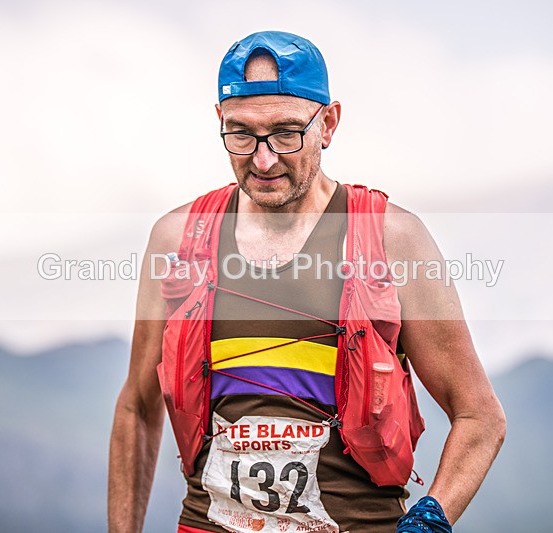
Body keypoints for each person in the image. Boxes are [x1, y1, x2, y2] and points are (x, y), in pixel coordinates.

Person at [108, 31, 506, 533]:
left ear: (329, 123)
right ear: (219, 122)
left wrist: (432, 516)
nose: (263, 159)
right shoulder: (177, 239)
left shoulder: (391, 239)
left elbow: (479, 417)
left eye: (286, 133)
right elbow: (138, 407)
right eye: (241, 134)